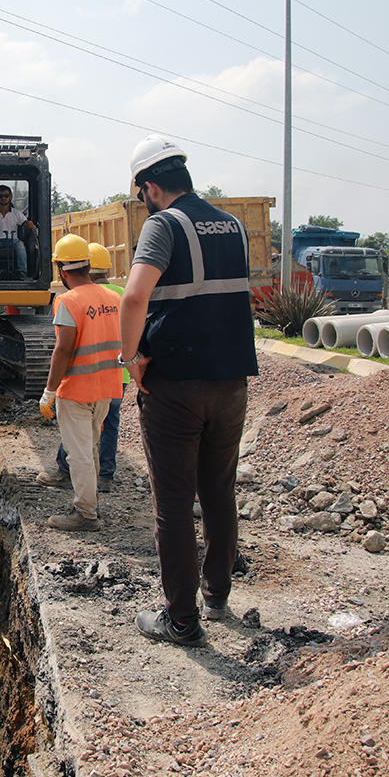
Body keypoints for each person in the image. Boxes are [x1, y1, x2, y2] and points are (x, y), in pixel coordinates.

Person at [118, 134, 257, 647]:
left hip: (175, 386)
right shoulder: (234, 225)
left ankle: (181, 620)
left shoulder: (163, 225)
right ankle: (216, 594)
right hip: (232, 382)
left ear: (150, 187)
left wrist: (131, 358)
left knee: (173, 504)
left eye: (140, 196)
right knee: (218, 490)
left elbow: (134, 298)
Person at [39, 234, 123, 532]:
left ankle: (86, 513)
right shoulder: (113, 297)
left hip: (77, 390)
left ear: (61, 269)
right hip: (108, 387)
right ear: (88, 264)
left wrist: (49, 391)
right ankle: (91, 501)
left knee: (78, 453)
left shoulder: (68, 301)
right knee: (93, 447)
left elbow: (64, 350)